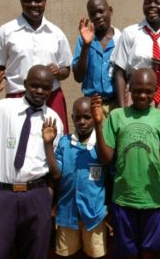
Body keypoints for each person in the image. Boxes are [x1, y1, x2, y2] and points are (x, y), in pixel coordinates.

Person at [92, 68, 160, 259]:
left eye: (148, 91)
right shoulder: (117, 116)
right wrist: (98, 125)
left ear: (155, 91)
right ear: (129, 89)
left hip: (154, 199)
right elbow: (106, 158)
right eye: (137, 90)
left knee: (148, 252)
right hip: (124, 199)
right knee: (126, 252)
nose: (142, 95)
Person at [0, 65, 63, 259]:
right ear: (25, 84)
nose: (40, 90)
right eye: (35, 85)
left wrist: (48, 197)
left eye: (45, 87)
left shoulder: (53, 119)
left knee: (35, 253)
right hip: (2, 195)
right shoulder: (2, 108)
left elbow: (56, 167)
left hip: (36, 195)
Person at [0, 0, 72, 133]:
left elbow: (66, 68)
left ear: (45, 1)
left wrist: (58, 72)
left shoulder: (56, 33)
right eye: (28, 0)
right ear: (21, 0)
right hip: (17, 97)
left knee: (54, 144)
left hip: (51, 97)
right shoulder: (6, 31)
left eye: (38, 0)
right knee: (17, 143)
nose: (33, 4)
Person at [43, 97, 107, 258]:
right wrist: (48, 144)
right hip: (67, 213)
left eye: (87, 117)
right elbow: (56, 173)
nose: (82, 122)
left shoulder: (102, 145)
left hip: (94, 214)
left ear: (95, 117)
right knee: (67, 253)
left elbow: (110, 177)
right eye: (77, 118)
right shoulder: (65, 143)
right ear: (72, 118)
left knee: (96, 253)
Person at [72, 0, 121, 117]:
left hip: (116, 104)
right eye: (93, 14)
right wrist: (86, 46)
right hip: (91, 105)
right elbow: (78, 77)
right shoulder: (83, 40)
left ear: (110, 11)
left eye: (101, 11)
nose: (98, 16)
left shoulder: (121, 39)